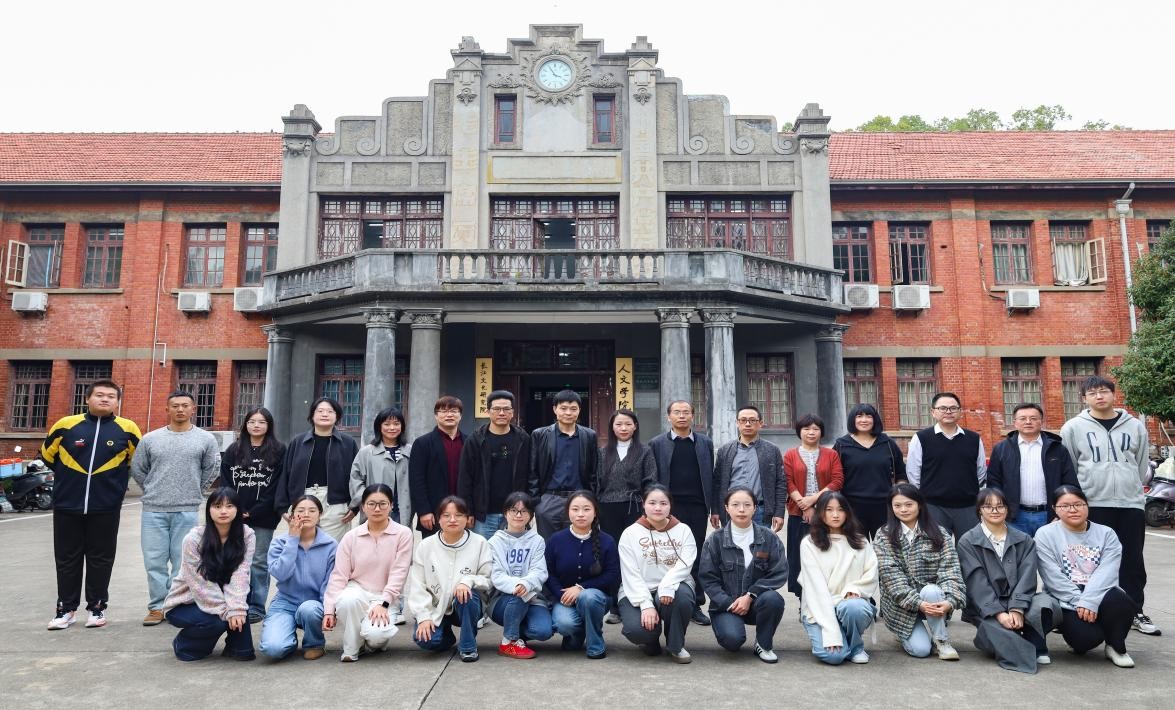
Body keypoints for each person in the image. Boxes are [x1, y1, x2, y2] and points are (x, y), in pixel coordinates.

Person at [1060, 375, 1158, 636]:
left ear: (1114, 394)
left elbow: (1140, 464)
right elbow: (1070, 466)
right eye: (1093, 393)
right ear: (1084, 398)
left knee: (1132, 559)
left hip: (1129, 503)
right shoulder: (1073, 428)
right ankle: (1086, 608)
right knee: (1089, 560)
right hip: (1093, 503)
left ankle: (1134, 610)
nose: (1099, 396)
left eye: (1104, 391)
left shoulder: (1134, 426)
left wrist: (1130, 487)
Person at [42, 379, 141, 630]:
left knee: (101, 558)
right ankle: (65, 609)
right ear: (87, 398)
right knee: (67, 558)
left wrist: (113, 488)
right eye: (99, 395)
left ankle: (97, 608)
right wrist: (70, 479)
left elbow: (135, 462)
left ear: (117, 402)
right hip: (67, 504)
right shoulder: (65, 425)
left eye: (111, 396)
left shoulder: (128, 429)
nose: (105, 399)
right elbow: (48, 456)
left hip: (106, 506)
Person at [130, 391, 220, 626]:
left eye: (185, 405)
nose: (180, 409)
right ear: (167, 409)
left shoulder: (205, 439)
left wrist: (195, 491)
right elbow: (138, 468)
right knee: (154, 561)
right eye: (175, 406)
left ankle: (175, 605)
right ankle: (157, 607)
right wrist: (152, 489)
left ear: (193, 409)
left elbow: (212, 468)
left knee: (183, 562)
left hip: (187, 508)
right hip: (154, 509)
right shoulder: (150, 439)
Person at [1036, 485, 1138, 667]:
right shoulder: (1045, 534)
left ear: (1087, 505)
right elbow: (1052, 577)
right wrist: (1080, 602)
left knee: (1121, 601)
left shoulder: (1106, 533)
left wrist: (1090, 600)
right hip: (1067, 598)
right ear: (1054, 509)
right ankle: (1089, 633)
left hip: (1100, 592)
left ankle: (1116, 646)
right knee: (1085, 640)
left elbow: (1107, 572)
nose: (1073, 509)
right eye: (1065, 506)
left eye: (1078, 504)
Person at [956, 487, 1051, 673]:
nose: (995, 511)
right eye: (988, 506)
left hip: (1019, 601)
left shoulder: (1024, 539)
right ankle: (1027, 647)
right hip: (987, 607)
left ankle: (1029, 638)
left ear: (1007, 509)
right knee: (993, 633)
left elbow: (1027, 576)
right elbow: (976, 582)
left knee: (1047, 605)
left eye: (1000, 506)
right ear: (979, 510)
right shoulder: (968, 541)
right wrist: (999, 613)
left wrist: (1017, 608)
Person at [874, 483, 966, 660]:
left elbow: (951, 570)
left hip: (934, 600)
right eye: (897, 505)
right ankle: (903, 632)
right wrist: (918, 603)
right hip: (900, 605)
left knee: (931, 590)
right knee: (921, 650)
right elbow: (892, 578)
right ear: (891, 508)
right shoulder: (883, 535)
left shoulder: (939, 533)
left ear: (920, 504)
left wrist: (950, 601)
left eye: (909, 504)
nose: (903, 509)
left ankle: (941, 640)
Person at [322, 483, 413, 662]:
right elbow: (339, 576)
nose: (377, 509)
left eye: (383, 504)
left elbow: (399, 573)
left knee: (376, 636)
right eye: (371, 504)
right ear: (363, 507)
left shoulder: (403, 534)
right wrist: (329, 610)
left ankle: (371, 639)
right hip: (357, 591)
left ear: (391, 505)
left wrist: (384, 604)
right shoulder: (351, 537)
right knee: (347, 600)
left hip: (385, 596)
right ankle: (352, 648)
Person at [161, 487, 255, 661]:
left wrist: (237, 609)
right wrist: (228, 612)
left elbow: (240, 573)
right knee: (215, 624)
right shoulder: (193, 539)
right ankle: (183, 644)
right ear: (209, 510)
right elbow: (199, 584)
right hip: (186, 602)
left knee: (244, 652)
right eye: (217, 506)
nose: (223, 511)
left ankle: (236, 647)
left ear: (238, 509)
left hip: (222, 595)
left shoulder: (246, 535)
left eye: (229, 506)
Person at [699, 487, 787, 663]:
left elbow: (779, 572)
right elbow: (708, 579)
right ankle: (730, 626)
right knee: (732, 641)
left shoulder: (769, 538)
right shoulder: (715, 540)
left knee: (774, 599)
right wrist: (729, 603)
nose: (741, 510)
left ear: (755, 508)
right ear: (726, 508)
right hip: (726, 606)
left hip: (757, 604)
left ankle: (763, 644)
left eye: (747, 505)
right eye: (735, 505)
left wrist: (750, 595)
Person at [647, 400, 715, 626]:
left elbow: (711, 476)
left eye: (686, 412)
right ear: (669, 417)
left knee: (694, 554)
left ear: (693, 416)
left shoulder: (705, 443)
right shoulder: (657, 443)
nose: (682, 416)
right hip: (668, 509)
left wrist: (713, 509)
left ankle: (695, 603)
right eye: (677, 412)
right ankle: (662, 599)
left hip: (697, 506)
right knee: (665, 553)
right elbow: (653, 478)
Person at [617, 484, 697, 663]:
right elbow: (630, 573)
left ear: (670, 505)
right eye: (652, 503)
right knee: (637, 631)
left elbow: (685, 563)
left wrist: (667, 586)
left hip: (675, 585)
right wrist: (646, 604)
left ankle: (676, 646)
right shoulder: (630, 533)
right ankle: (650, 640)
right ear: (643, 504)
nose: (658, 508)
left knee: (682, 597)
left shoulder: (683, 530)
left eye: (663, 503)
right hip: (637, 588)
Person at [798, 491, 879, 665]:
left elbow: (871, 574)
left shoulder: (860, 541)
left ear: (847, 513)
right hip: (819, 608)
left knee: (854, 607)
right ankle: (839, 636)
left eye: (840, 509)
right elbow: (816, 589)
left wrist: (855, 590)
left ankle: (856, 646)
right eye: (829, 509)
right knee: (834, 657)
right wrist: (831, 632)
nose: (835, 515)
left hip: (849, 605)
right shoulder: (809, 543)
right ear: (820, 513)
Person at [219, 406, 284, 623]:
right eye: (252, 422)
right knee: (234, 559)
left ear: (269, 426)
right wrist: (234, 508)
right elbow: (226, 481)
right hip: (234, 515)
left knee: (258, 561)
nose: (256, 425)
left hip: (264, 516)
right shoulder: (234, 450)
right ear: (245, 425)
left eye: (261, 422)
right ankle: (236, 602)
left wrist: (255, 511)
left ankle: (257, 605)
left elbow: (277, 485)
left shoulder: (278, 450)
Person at [408, 496, 493, 662]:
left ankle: (468, 645)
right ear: (438, 519)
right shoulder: (426, 545)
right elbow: (418, 585)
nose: (452, 520)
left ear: (467, 518)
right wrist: (423, 617)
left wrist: (467, 581)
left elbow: (488, 579)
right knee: (426, 640)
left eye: (459, 515)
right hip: (436, 606)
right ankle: (446, 635)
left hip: (466, 605)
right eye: (446, 515)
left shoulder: (479, 543)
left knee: (467, 595)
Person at [595, 408, 656, 625]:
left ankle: (638, 600)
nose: (623, 428)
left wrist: (647, 508)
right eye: (619, 424)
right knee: (612, 555)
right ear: (612, 427)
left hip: (634, 507)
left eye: (628, 424)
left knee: (636, 555)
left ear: (635, 426)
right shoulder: (603, 452)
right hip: (607, 508)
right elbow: (596, 482)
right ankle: (615, 606)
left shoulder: (645, 451)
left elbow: (651, 481)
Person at [259, 495, 337, 660]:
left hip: (314, 604)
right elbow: (281, 574)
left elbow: (330, 583)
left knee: (309, 610)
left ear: (320, 514)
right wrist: (292, 539)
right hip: (285, 602)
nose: (306, 514)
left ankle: (314, 643)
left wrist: (328, 611)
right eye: (301, 510)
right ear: (292, 514)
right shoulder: (279, 542)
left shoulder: (331, 545)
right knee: (273, 649)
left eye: (312, 510)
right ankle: (288, 638)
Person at [545, 490, 620, 658]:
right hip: (564, 599)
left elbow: (613, 574)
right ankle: (578, 634)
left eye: (586, 509)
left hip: (597, 599)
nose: (581, 514)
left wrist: (581, 588)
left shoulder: (607, 541)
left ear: (595, 512)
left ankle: (596, 644)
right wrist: (563, 595)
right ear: (568, 512)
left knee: (588, 597)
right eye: (575, 509)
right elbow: (548, 573)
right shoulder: (556, 540)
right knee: (564, 624)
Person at [986, 402, 1078, 537]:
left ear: (1041, 421)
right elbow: (994, 483)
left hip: (1050, 515)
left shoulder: (1057, 449)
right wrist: (1002, 512)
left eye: (1033, 418)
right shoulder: (1002, 449)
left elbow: (1069, 483)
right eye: (1023, 418)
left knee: (1050, 550)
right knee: (1018, 551)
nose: (1028, 422)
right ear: (1015, 422)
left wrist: (1061, 512)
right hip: (1015, 516)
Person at [277, 397, 360, 542]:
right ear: (312, 415)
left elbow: (356, 477)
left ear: (337, 416)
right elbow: (286, 473)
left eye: (330, 411)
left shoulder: (348, 443)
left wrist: (355, 507)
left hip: (335, 504)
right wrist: (282, 507)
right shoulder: (298, 442)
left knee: (333, 547)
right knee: (302, 546)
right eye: (320, 411)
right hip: (302, 500)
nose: (325, 414)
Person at [906, 392, 987, 539]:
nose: (948, 412)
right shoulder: (922, 438)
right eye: (942, 408)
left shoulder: (974, 439)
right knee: (936, 547)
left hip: (968, 506)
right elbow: (913, 473)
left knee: (970, 547)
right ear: (933, 412)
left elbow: (980, 472)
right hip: (933, 506)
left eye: (953, 408)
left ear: (960, 412)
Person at [783, 413, 843, 598]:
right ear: (799, 431)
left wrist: (814, 500)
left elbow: (837, 480)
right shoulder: (790, 454)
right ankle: (803, 599)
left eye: (815, 429)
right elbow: (788, 481)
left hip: (827, 513)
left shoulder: (831, 454)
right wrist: (804, 505)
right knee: (799, 556)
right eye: (806, 428)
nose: (811, 432)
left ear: (821, 432)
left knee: (826, 555)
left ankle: (827, 597)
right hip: (798, 514)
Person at [487, 492, 553, 658]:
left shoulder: (537, 540)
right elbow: (496, 575)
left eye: (524, 511)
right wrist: (518, 585)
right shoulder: (494, 542)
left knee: (543, 631)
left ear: (531, 515)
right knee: (519, 594)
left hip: (533, 598)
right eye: (513, 510)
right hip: (502, 600)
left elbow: (540, 571)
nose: (518, 515)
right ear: (505, 513)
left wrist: (526, 584)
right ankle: (509, 642)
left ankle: (514, 628)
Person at [459, 390, 531, 539]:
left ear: (512, 412)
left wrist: (529, 508)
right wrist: (468, 511)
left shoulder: (523, 439)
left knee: (513, 552)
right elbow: (465, 478)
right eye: (497, 409)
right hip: (484, 515)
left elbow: (531, 475)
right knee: (485, 552)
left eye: (506, 409)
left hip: (515, 512)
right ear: (488, 411)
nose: (502, 413)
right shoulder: (475, 440)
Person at [529, 390, 598, 538]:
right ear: (555, 409)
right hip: (549, 499)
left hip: (579, 499)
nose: (568, 413)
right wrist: (537, 502)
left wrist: (591, 497)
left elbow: (594, 470)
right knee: (549, 544)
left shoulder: (589, 435)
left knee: (578, 541)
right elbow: (532, 469)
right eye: (563, 408)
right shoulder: (540, 435)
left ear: (579, 410)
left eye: (573, 409)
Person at [833, 403, 906, 538]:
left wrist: (901, 495)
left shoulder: (887, 443)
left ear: (875, 419)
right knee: (857, 547)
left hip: (884, 506)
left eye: (868, 416)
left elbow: (901, 473)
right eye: (859, 416)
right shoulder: (841, 445)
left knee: (887, 546)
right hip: (852, 507)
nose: (864, 420)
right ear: (853, 419)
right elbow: (834, 476)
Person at [712, 405, 786, 532]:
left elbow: (780, 483)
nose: (747, 424)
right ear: (737, 423)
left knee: (760, 545)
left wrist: (779, 513)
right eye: (743, 420)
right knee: (731, 544)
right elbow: (717, 483)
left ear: (760, 423)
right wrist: (715, 510)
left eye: (752, 420)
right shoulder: (725, 451)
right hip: (731, 510)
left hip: (760, 510)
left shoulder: (772, 450)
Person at [409, 396, 467, 538]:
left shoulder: (469, 442)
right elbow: (417, 480)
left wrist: (470, 511)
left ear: (460, 415)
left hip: (462, 510)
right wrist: (424, 511)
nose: (449, 415)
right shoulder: (422, 443)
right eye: (444, 411)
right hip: (433, 512)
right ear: (436, 416)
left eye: (453, 411)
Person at [350, 406, 413, 528]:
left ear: (402, 426)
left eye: (396, 424)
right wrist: (368, 499)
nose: (392, 428)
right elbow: (355, 480)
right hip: (376, 510)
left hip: (402, 510)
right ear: (379, 426)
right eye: (387, 424)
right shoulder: (367, 452)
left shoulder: (410, 451)